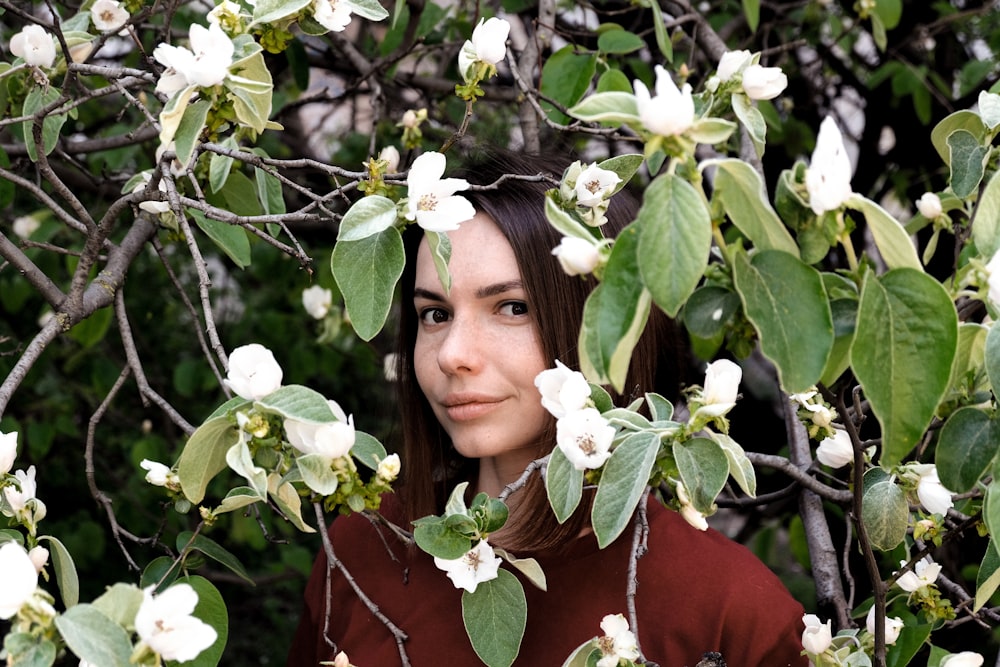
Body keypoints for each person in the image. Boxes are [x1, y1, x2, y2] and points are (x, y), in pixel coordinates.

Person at [286, 148, 808, 667]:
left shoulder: (730, 609)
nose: (452, 355)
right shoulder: (364, 550)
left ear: (605, 328)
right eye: (435, 314)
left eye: (512, 308)